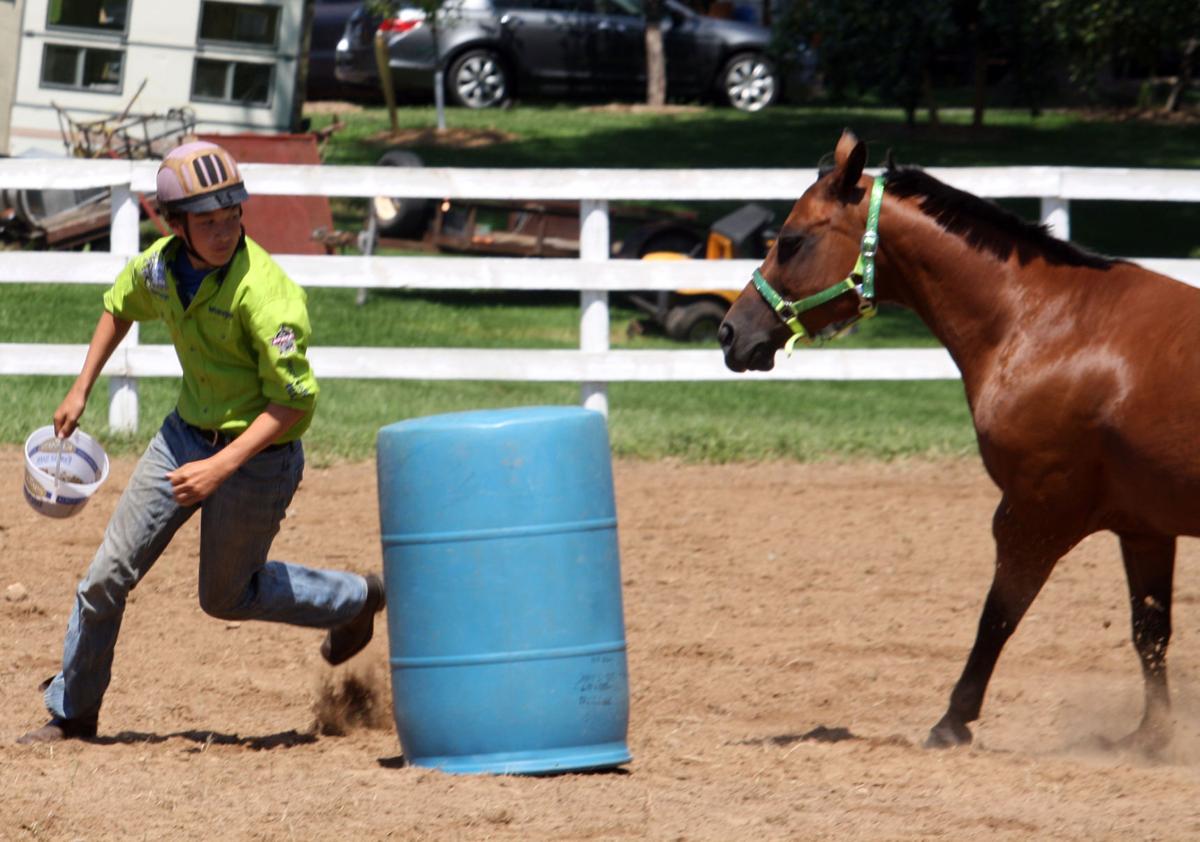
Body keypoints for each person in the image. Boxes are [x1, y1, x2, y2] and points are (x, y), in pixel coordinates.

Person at [17, 140, 385, 744]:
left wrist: (221, 467)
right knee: (104, 578)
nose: (224, 231)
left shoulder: (267, 297)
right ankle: (73, 714)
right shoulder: (161, 269)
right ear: (175, 224)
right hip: (183, 437)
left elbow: (295, 402)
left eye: (232, 216)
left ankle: (354, 599)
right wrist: (81, 388)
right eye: (208, 222)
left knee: (226, 596)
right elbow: (117, 307)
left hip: (259, 459)